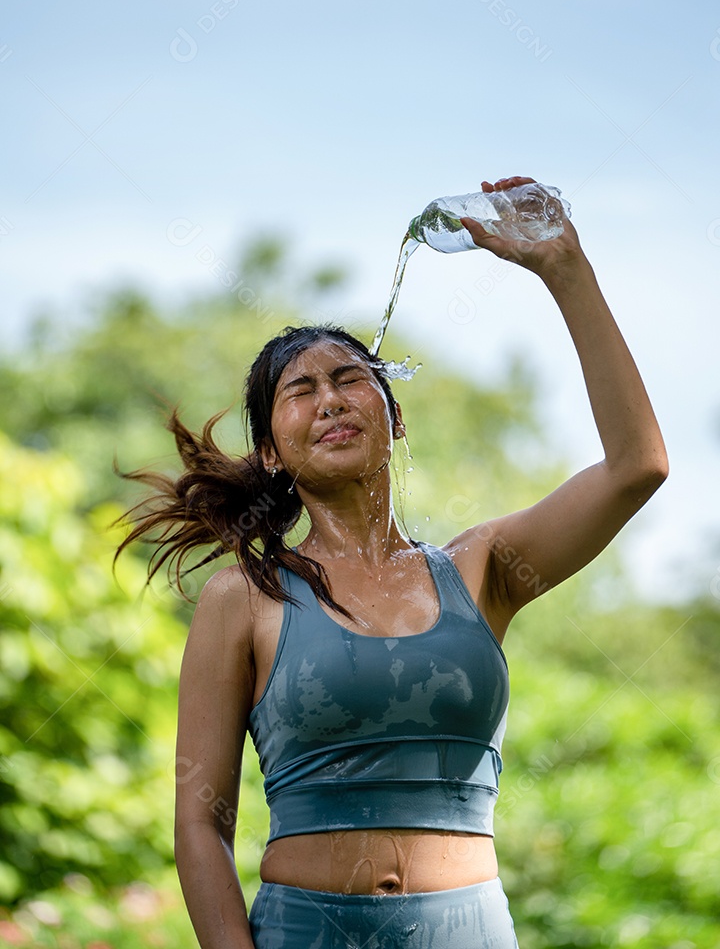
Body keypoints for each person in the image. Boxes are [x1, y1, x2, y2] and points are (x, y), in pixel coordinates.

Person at [115, 176, 668, 948]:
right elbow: (200, 824)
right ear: (272, 453)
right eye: (300, 391)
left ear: (393, 416)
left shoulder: (484, 567)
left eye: (350, 379)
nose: (333, 399)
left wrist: (566, 272)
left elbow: (637, 466)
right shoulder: (245, 598)